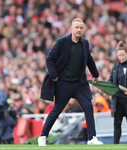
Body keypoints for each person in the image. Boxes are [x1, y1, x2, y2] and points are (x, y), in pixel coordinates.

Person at [38, 18, 103, 146]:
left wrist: (95, 74)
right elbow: (49, 59)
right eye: (77, 27)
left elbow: (89, 60)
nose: (79, 30)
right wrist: (54, 76)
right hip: (63, 84)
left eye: (81, 27)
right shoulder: (62, 42)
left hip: (79, 84)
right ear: (71, 28)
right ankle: (43, 136)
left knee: (89, 106)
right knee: (57, 110)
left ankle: (91, 138)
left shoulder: (84, 43)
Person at [100, 41, 127, 144]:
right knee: (117, 124)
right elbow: (110, 81)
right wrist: (104, 88)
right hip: (118, 100)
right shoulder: (115, 67)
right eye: (119, 55)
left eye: (123, 55)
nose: (121, 57)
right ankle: (115, 146)